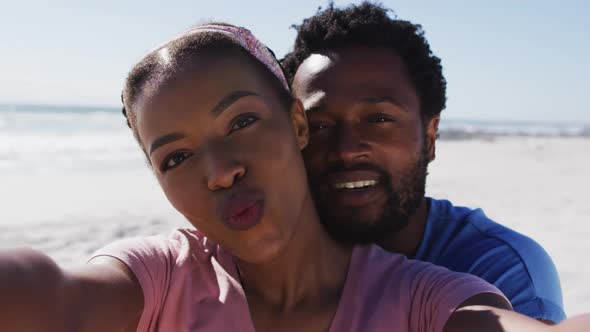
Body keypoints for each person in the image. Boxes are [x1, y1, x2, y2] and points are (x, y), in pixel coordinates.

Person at [0, 23, 585, 332]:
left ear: (296, 125)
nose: (221, 170)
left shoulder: (437, 292)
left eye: (243, 121)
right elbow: (47, 293)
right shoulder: (163, 281)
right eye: (175, 158)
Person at [281, 1, 565, 323]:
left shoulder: (496, 269)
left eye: (378, 119)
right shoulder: (263, 260)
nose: (346, 150)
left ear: (430, 136)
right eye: (319, 125)